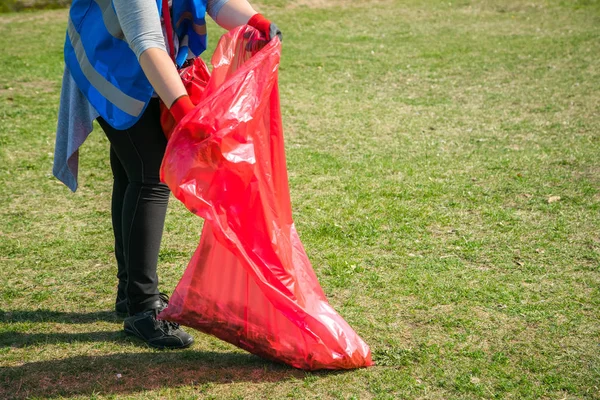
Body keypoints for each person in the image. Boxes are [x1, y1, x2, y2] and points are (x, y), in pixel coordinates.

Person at [52, 0, 281, 349]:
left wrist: (257, 22)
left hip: (145, 61)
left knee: (132, 170)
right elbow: (146, 41)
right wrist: (184, 110)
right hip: (113, 63)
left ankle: (130, 294)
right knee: (149, 175)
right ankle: (143, 309)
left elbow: (215, 1)